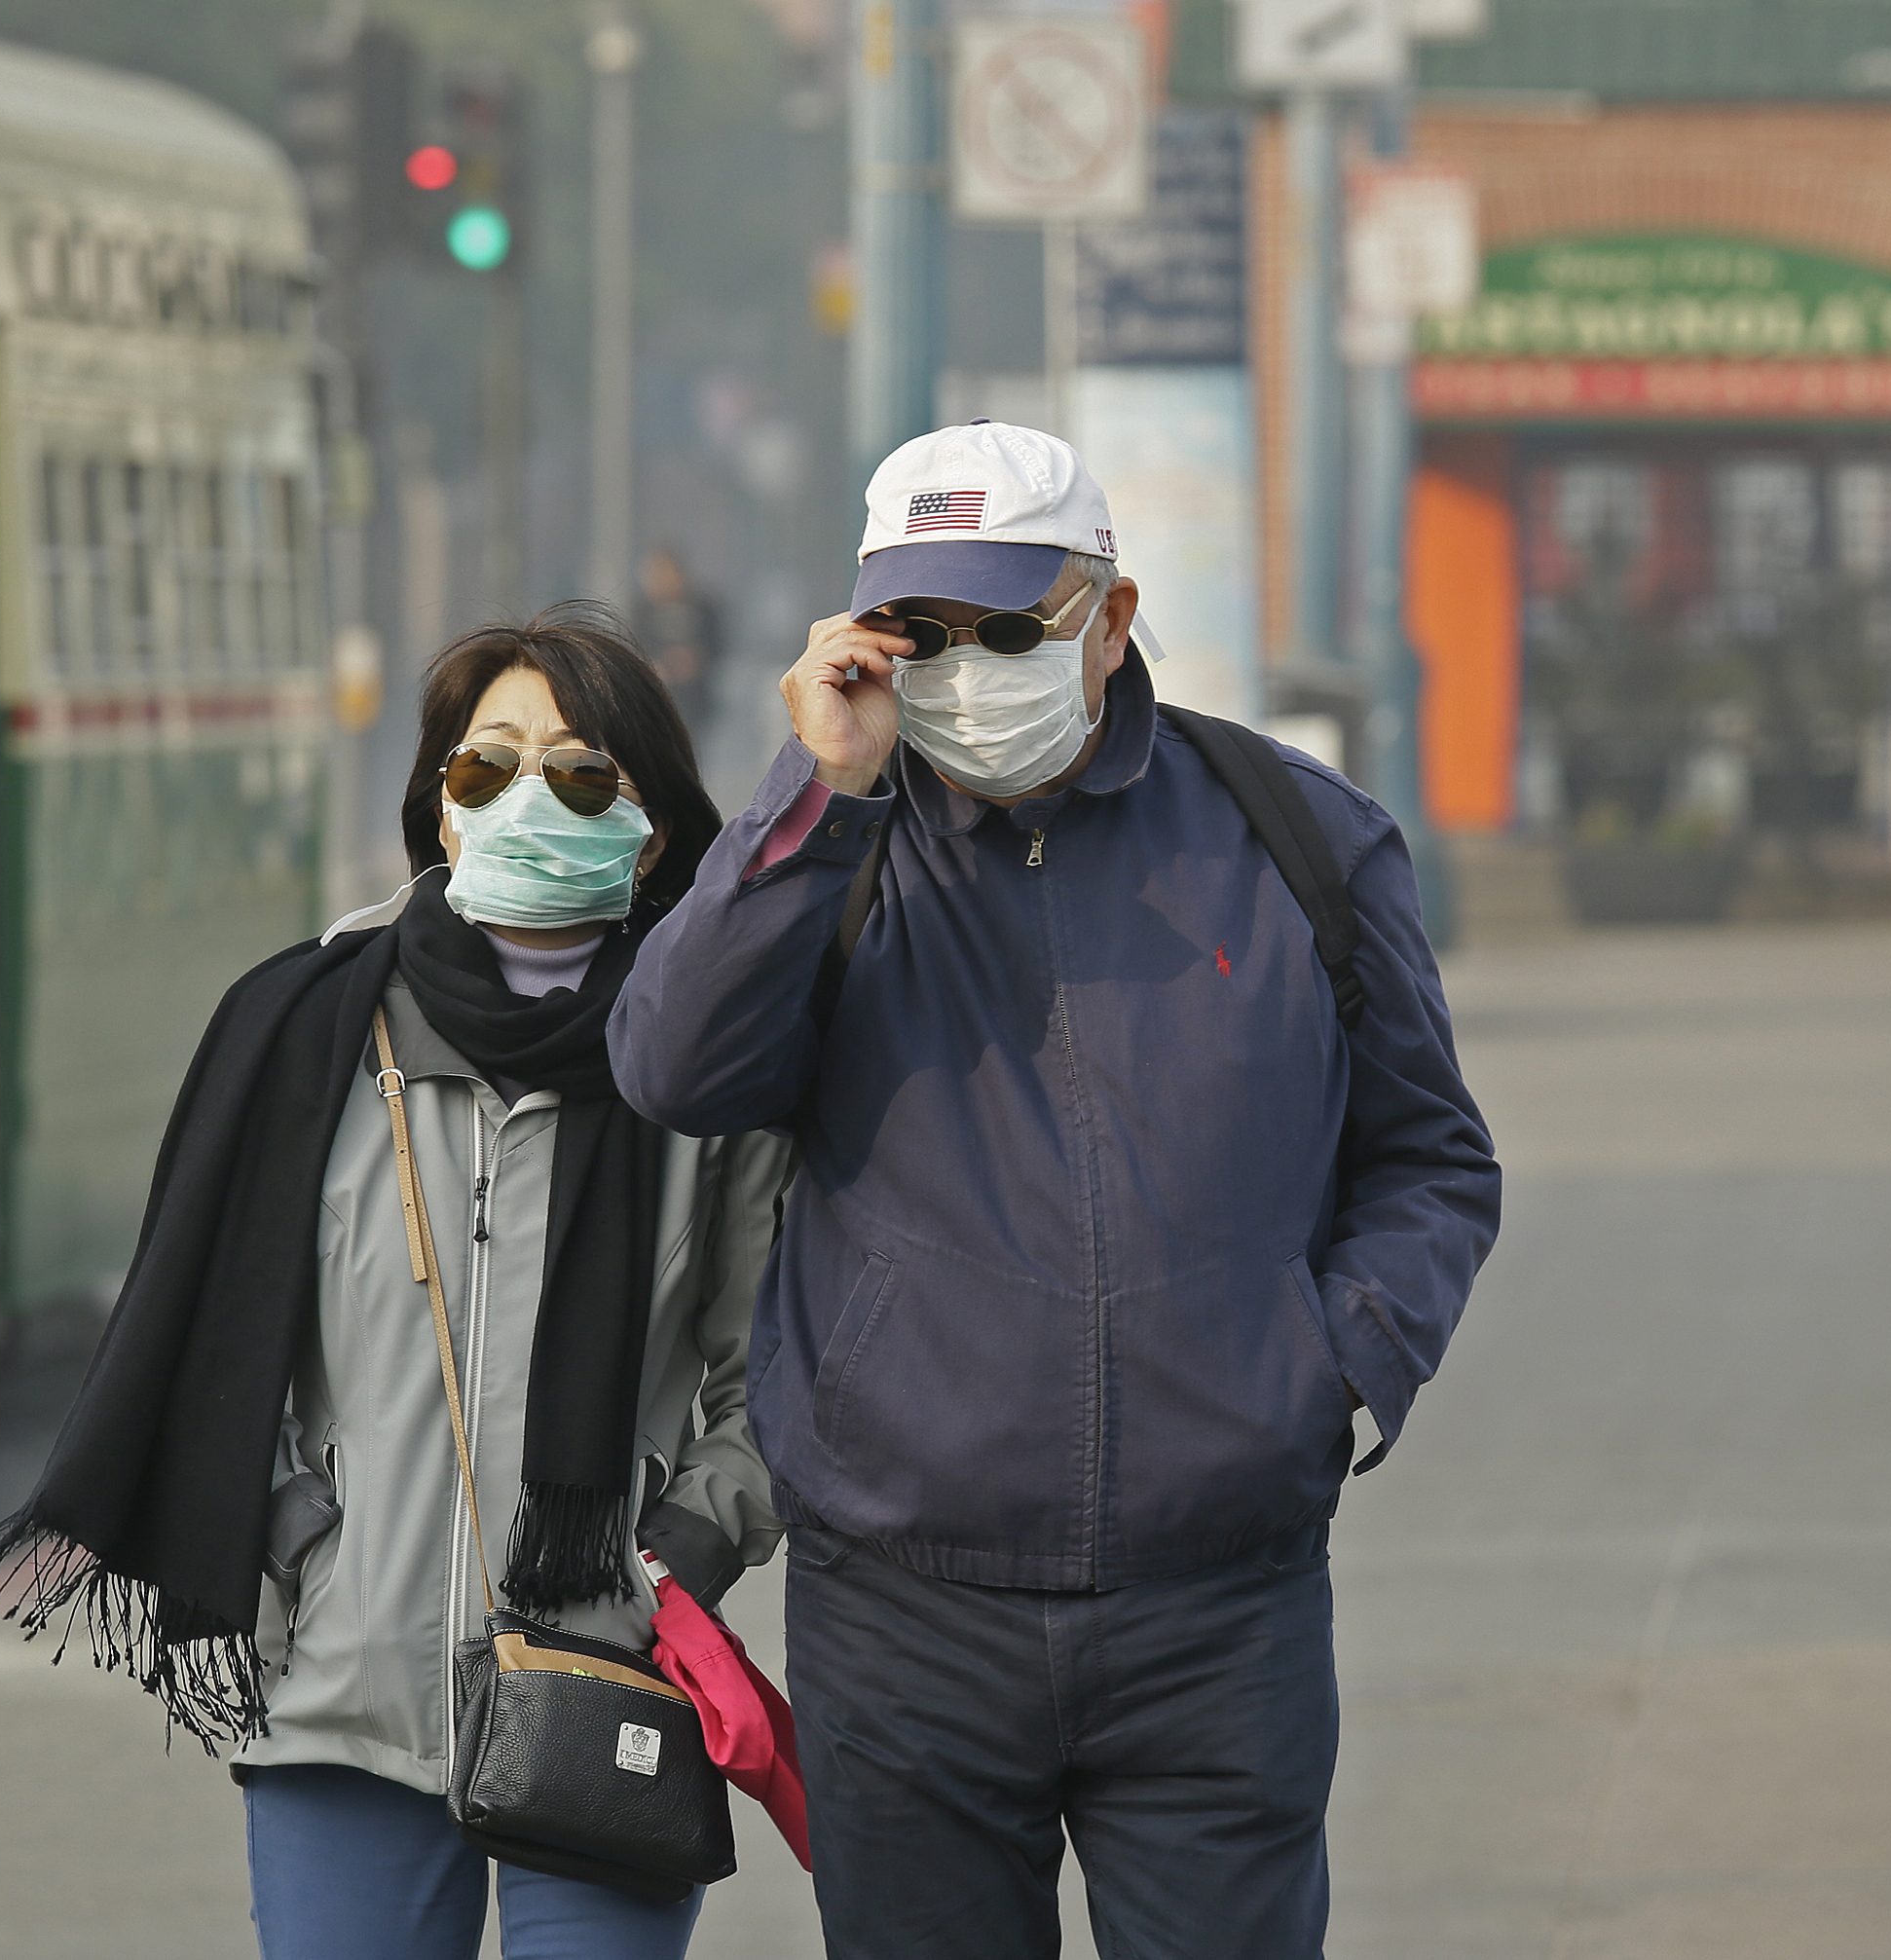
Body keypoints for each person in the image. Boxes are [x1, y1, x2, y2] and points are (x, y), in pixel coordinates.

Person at [610, 422, 1502, 1958]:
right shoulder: (834, 845)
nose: (960, 669)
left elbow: (1430, 1156)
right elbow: (672, 1069)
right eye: (919, 632)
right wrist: (814, 799)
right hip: (901, 1606)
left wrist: (1330, 1367)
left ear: (1112, 617)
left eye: (1004, 627)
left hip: (1219, 1603)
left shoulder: (1297, 838)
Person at [0, 609, 790, 1960]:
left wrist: (676, 1548)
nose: (527, 799)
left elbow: (776, 1381)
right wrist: (294, 1537)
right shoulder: (304, 1032)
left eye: (579, 772)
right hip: (341, 1696)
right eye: (483, 767)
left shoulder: (709, 1077)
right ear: (437, 810)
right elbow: (210, 1336)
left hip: (603, 1681)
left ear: (656, 824)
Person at [637, 547, 725, 736]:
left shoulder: (703, 609)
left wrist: (696, 660)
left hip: (695, 701)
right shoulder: (641, 613)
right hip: (652, 703)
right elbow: (631, 648)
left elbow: (718, 648)